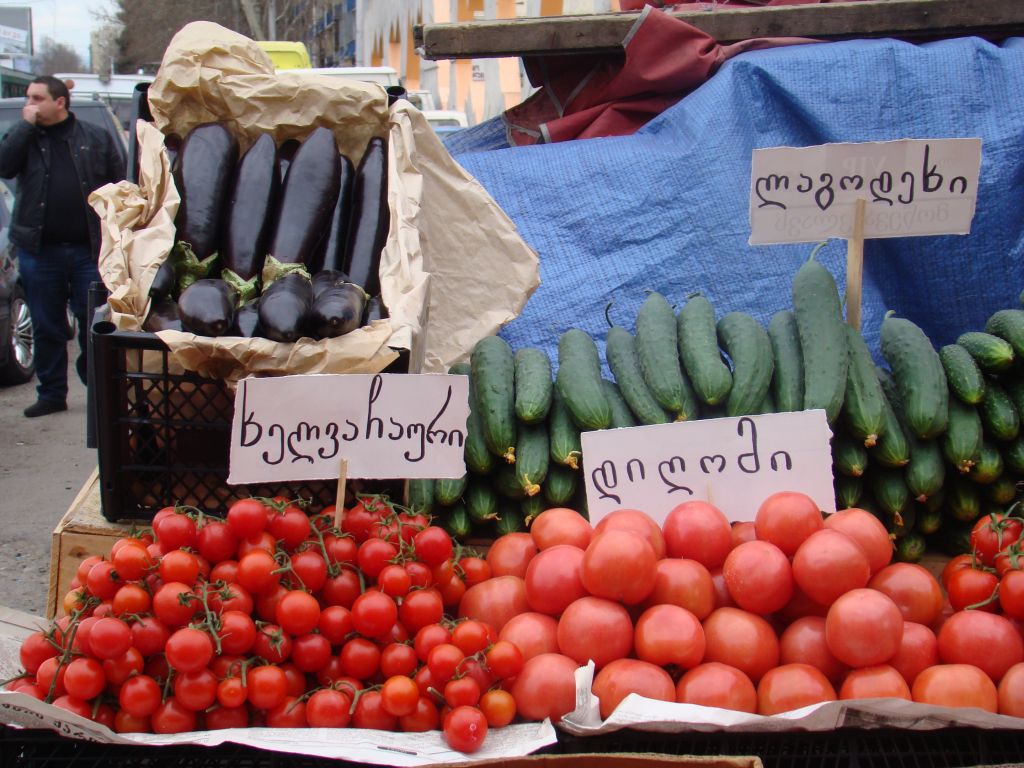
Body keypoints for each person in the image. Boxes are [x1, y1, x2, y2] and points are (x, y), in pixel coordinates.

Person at [0, 75, 125, 417]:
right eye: (29, 98)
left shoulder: (94, 137)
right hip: (40, 251)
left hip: (89, 249)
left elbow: (121, 187)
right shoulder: (25, 137)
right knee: (46, 324)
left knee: (94, 322)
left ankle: (99, 390)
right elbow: (4, 164)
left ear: (59, 102)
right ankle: (52, 393)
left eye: (37, 98)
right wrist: (24, 128)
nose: (30, 104)